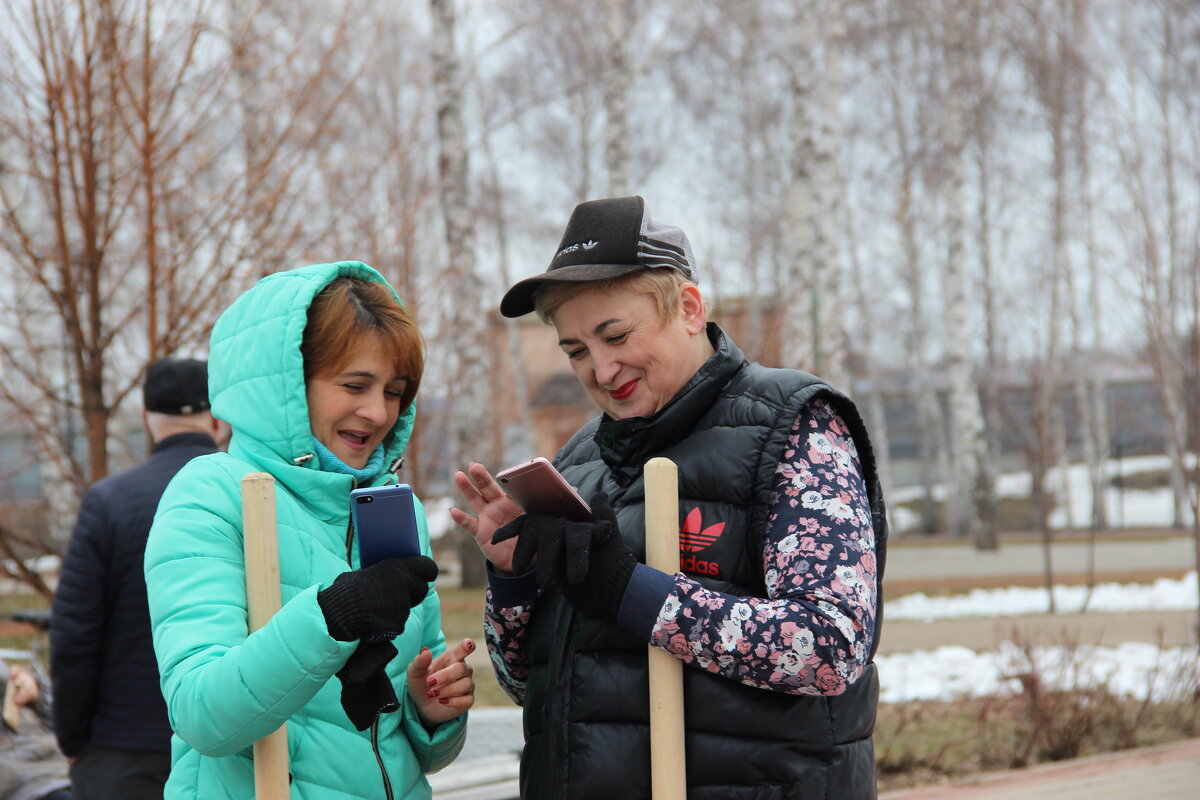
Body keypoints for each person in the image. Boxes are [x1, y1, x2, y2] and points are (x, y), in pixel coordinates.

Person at [453, 196, 888, 799]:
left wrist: (631, 590)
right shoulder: (577, 465)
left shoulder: (795, 429)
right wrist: (513, 584)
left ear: (687, 307)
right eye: (576, 350)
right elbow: (529, 686)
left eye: (615, 335)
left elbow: (828, 648)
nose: (601, 370)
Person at [144, 262, 472, 799]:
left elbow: (416, 752)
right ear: (287, 387)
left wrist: (430, 711)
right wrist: (331, 617)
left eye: (394, 391)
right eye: (354, 384)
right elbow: (200, 712)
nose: (378, 412)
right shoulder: (212, 493)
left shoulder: (393, 507)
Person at [50, 357, 227, 799]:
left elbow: (74, 636)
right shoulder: (253, 495)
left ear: (147, 418)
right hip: (226, 748)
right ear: (218, 418)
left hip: (123, 752)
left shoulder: (108, 503)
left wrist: (73, 740)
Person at [0, 660, 72, 800]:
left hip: (59, 767)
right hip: (24, 781)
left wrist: (36, 691)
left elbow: (65, 721)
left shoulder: (8, 680)